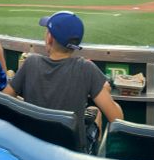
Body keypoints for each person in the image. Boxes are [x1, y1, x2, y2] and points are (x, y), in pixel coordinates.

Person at [10, 11, 123, 150]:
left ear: (50, 38)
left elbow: (4, 97)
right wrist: (105, 90)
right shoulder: (86, 68)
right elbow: (117, 119)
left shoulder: (31, 62)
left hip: (32, 149)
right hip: (71, 153)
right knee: (95, 111)